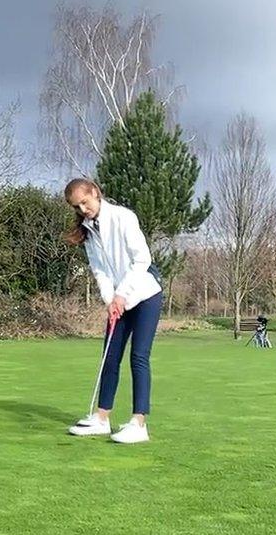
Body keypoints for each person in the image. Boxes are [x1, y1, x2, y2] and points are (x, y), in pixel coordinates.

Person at [62, 177, 163, 444]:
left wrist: (121, 294)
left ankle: (139, 423)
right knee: (110, 357)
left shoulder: (123, 217)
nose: (83, 209)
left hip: (145, 294)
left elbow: (142, 259)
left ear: (95, 193)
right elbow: (100, 270)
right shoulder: (88, 230)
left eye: (85, 202)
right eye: (77, 206)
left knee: (138, 357)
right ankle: (102, 418)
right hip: (117, 300)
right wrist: (110, 299)